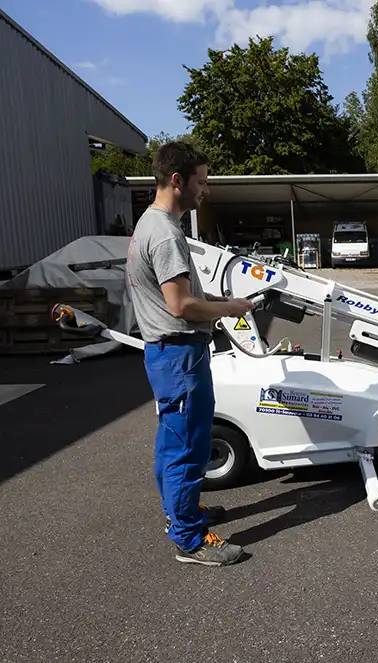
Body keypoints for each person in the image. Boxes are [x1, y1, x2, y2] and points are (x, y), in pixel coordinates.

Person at [126, 141, 255, 567]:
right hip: (180, 356)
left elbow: (178, 295)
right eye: (201, 181)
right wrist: (231, 308)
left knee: (172, 440)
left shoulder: (151, 224)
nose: (207, 190)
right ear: (177, 180)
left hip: (167, 355)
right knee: (189, 447)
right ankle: (189, 539)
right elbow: (180, 306)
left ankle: (178, 511)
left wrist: (213, 298)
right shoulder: (165, 234)